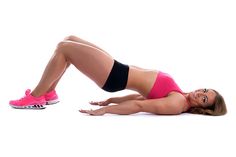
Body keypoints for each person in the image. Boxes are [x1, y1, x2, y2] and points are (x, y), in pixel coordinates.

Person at [9, 35, 227, 116]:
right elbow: (141, 98)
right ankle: (49, 93)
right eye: (205, 90)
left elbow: (140, 107)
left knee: (66, 48)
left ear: (202, 109)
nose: (201, 93)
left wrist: (106, 110)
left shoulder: (178, 103)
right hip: (118, 69)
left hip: (115, 76)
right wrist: (111, 99)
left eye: (204, 99)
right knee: (68, 40)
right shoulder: (179, 94)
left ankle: (36, 96)